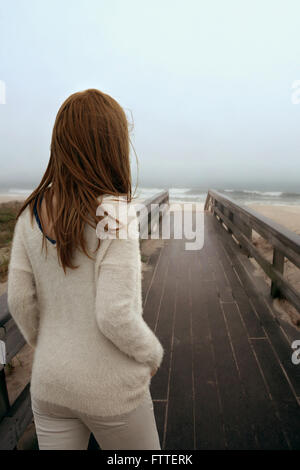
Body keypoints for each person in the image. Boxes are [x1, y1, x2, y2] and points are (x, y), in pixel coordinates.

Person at [7, 89, 164, 450]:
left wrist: (51, 346)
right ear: (111, 145)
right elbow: (115, 313)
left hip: (51, 385)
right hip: (111, 391)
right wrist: (152, 355)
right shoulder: (116, 213)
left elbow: (19, 301)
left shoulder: (29, 215)